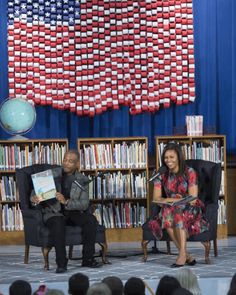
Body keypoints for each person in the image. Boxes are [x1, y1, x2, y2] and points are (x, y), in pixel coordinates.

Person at [31, 149, 102, 273]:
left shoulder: (82, 180)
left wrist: (66, 202)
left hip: (71, 212)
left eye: (70, 161)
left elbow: (84, 204)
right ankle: (61, 263)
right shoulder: (51, 174)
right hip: (53, 213)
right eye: (65, 160)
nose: (66, 163)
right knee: (58, 222)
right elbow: (34, 193)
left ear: (76, 164)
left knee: (90, 220)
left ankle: (88, 259)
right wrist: (34, 198)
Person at [149, 142, 209, 267]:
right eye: (166, 158)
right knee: (169, 211)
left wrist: (172, 201)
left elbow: (192, 198)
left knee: (174, 211)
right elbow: (156, 198)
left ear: (178, 157)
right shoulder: (160, 173)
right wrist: (173, 201)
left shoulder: (189, 172)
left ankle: (182, 254)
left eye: (171, 157)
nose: (168, 160)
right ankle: (185, 254)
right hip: (171, 208)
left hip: (190, 209)